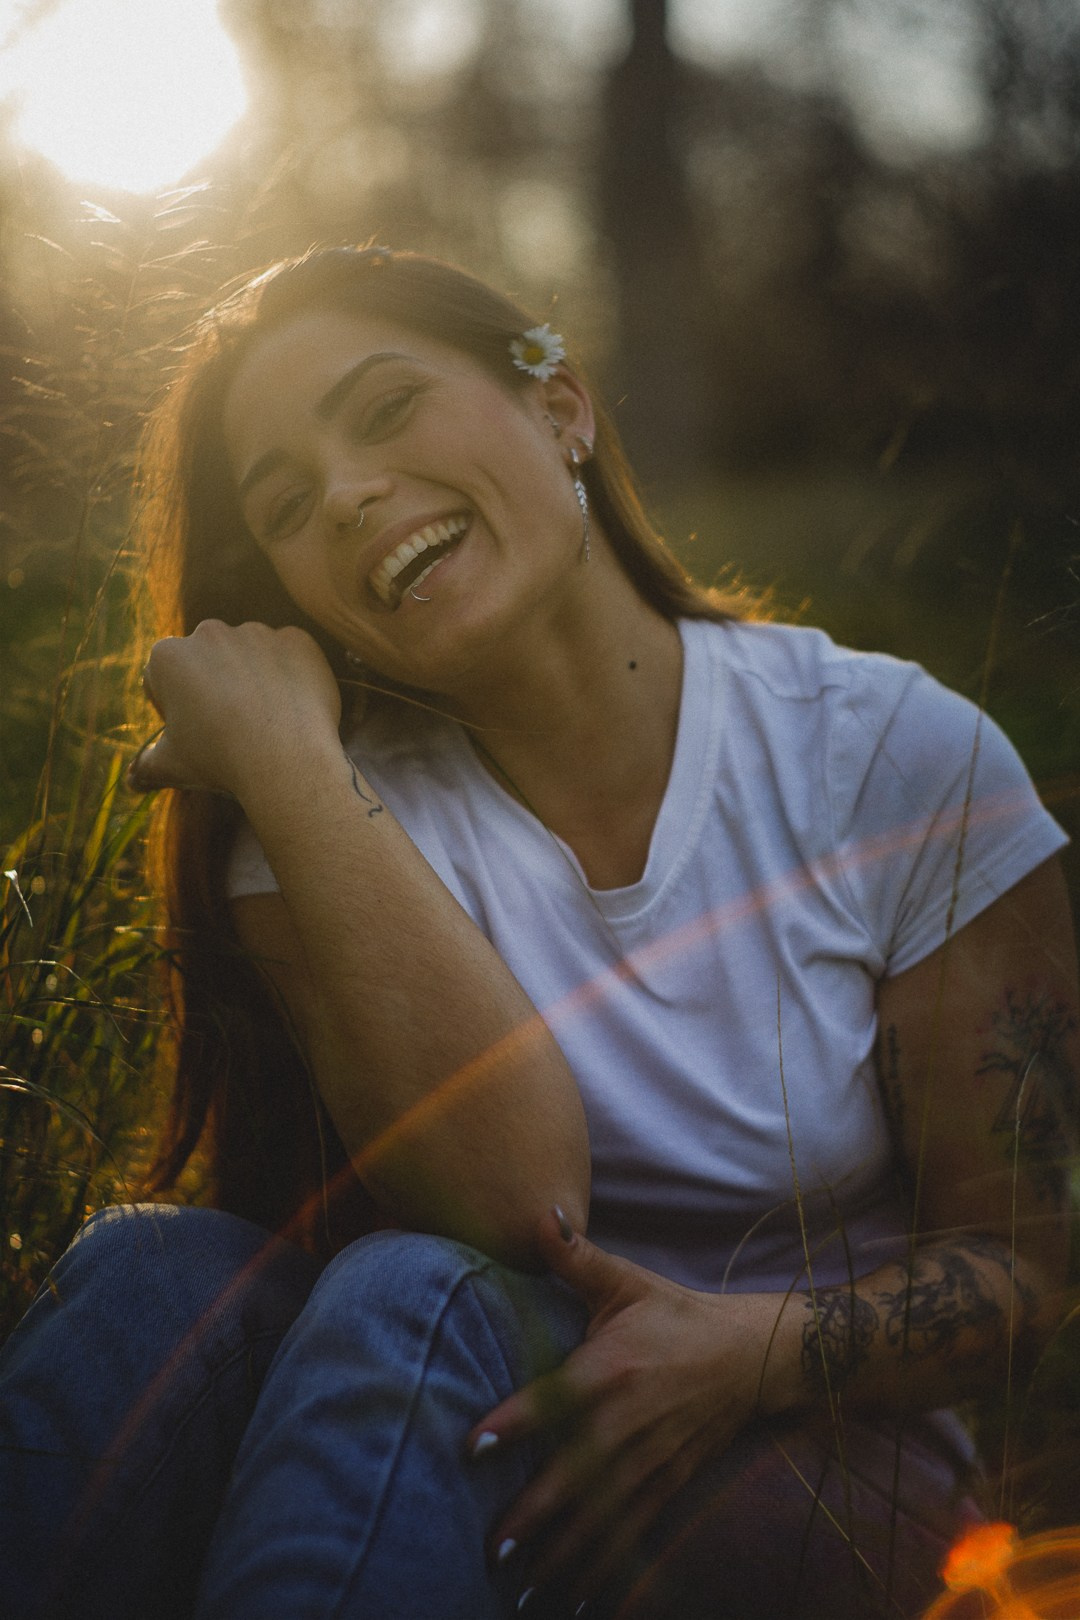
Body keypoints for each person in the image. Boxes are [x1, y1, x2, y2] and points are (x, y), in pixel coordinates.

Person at [1, 245, 1076, 1620]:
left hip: (823, 1461)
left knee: (416, 1296)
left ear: (560, 404)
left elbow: (1021, 1279)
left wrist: (742, 1354)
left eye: (386, 412)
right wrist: (287, 762)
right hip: (430, 1406)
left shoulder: (895, 759)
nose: (344, 494)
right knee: (157, 1271)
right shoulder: (317, 805)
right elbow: (517, 1200)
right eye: (284, 501)